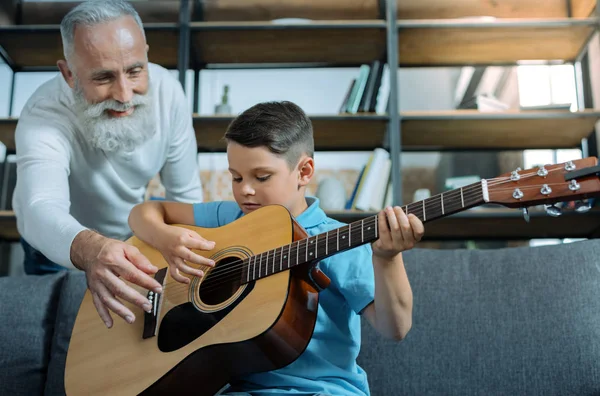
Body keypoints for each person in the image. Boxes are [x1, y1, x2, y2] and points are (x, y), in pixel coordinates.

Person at [128, 101, 424, 395]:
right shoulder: (230, 218)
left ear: (304, 171)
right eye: (236, 177)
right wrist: (166, 240)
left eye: (262, 177)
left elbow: (395, 328)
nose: (245, 190)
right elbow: (145, 212)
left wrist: (387, 258)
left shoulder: (338, 240)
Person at [12, 0, 203, 328]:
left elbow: (185, 196)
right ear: (69, 73)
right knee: (62, 339)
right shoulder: (44, 113)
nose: (125, 95)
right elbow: (39, 207)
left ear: (146, 52)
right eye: (103, 77)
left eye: (134, 70)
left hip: (129, 242)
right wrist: (90, 248)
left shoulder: (169, 94)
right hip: (60, 247)